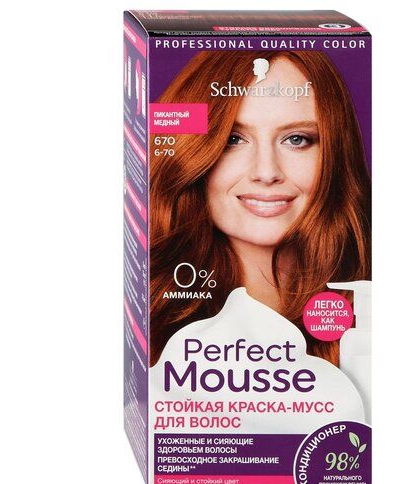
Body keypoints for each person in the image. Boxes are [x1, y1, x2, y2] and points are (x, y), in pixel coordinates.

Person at [150, 50, 371, 368]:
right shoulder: (148, 317)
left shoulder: (370, 310)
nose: (266, 173)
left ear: (336, 154)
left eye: (297, 139)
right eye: (233, 139)